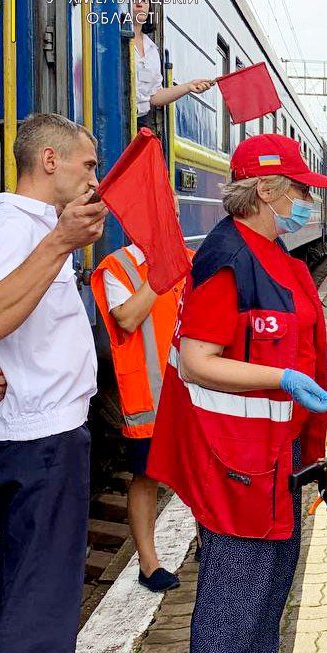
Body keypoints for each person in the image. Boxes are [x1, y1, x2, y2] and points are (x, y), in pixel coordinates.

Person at [146, 134, 327, 653]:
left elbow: (266, 334)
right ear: (265, 189)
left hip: (277, 457)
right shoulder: (230, 257)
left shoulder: (272, 252)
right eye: (299, 189)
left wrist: (309, 364)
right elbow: (197, 360)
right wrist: (281, 377)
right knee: (233, 608)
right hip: (238, 461)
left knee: (269, 594)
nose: (306, 201)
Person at [0, 113, 107, 653]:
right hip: (42, 439)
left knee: (25, 583)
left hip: (39, 432)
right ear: (50, 161)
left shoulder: (18, 229)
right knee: (43, 600)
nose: (95, 178)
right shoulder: (17, 230)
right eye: (87, 164)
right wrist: (61, 243)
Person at [92, 235, 192, 592]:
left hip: (193, 391)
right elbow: (128, 318)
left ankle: (208, 545)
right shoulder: (118, 267)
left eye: (176, 217)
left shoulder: (191, 259)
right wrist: (160, 273)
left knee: (200, 470)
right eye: (166, 217)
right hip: (151, 396)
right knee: (146, 475)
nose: (173, 224)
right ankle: (149, 565)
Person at [130, 0, 213, 133]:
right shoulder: (115, 40)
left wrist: (188, 86)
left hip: (141, 123)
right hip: (117, 119)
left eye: (144, 0)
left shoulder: (152, 50)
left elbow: (154, 97)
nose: (139, 3)